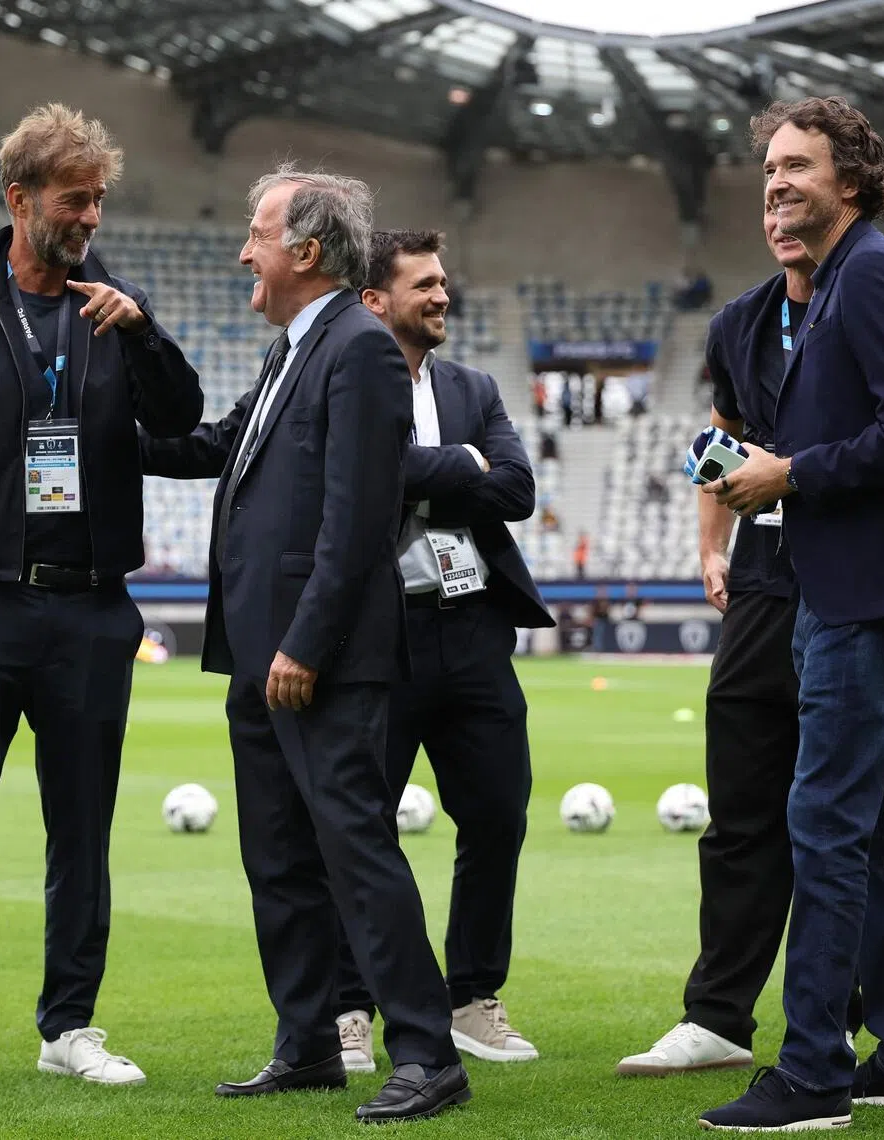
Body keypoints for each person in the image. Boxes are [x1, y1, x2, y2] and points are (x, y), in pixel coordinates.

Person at [618, 203, 884, 1080]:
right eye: (768, 186)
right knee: (746, 807)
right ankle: (719, 1015)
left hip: (864, 578)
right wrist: (708, 546)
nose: (779, 207)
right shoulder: (741, 324)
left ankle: (864, 1027)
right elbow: (721, 444)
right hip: (767, 582)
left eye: (797, 178)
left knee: (853, 815)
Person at [139, 167, 470, 1124]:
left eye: (257, 233)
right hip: (257, 652)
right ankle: (309, 1043)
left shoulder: (358, 349)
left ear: (308, 251)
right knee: (278, 853)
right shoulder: (294, 352)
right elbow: (211, 449)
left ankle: (425, 1051)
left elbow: (359, 516)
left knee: (354, 849)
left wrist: (307, 643)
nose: (245, 250)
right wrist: (88, 425)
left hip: (313, 657)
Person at [0, 104, 203, 1093]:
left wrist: (143, 334)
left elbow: (182, 417)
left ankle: (69, 1024)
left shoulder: (116, 308)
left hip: (91, 611)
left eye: (100, 199)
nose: (92, 217)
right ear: (21, 200)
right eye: (76, 200)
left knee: (84, 828)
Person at [698, 96, 884, 1132]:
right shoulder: (839, 285)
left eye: (797, 164)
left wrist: (789, 475)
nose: (775, 181)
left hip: (866, 596)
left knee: (823, 826)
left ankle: (814, 1071)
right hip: (851, 588)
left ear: (850, 180)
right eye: (768, 167)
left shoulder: (878, 273)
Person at [332, 229, 555, 1073]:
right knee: (359, 829)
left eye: (444, 282)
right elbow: (356, 477)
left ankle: (471, 996)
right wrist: (458, 464)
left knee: (497, 815)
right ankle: (350, 1006)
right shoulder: (344, 379)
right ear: (375, 300)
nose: (442, 295)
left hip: (469, 630)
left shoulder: (473, 386)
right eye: (424, 284)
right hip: (375, 642)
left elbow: (517, 490)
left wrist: (421, 467)